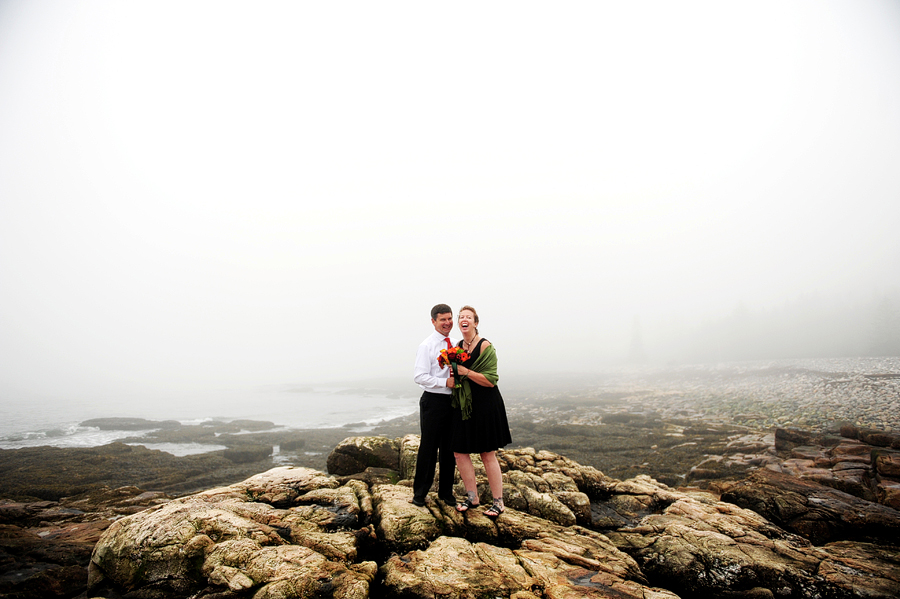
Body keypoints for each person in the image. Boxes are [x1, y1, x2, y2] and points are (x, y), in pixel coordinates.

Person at [449, 305, 512, 518]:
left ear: (475, 323)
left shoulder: (486, 347)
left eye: (469, 317)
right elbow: (457, 376)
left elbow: (491, 380)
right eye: (461, 317)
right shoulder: (457, 347)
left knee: (487, 453)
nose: (464, 320)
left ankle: (498, 502)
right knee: (459, 451)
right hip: (465, 405)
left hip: (486, 404)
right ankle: (472, 497)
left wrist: (465, 372)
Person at [410, 303, 458, 507]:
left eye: (449, 319)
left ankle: (446, 493)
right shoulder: (426, 345)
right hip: (434, 401)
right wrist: (443, 382)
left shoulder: (457, 343)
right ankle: (420, 493)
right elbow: (419, 376)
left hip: (454, 402)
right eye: (442, 319)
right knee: (428, 448)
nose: (447, 323)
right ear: (433, 322)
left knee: (450, 449)